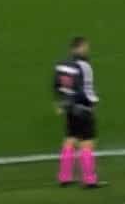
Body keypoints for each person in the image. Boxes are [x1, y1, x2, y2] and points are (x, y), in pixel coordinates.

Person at [54, 36, 101, 189]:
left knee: (70, 139)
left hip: (69, 108)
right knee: (87, 143)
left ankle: (64, 177)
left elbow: (57, 85)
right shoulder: (84, 66)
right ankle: (89, 180)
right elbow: (86, 89)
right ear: (78, 48)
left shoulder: (62, 65)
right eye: (85, 47)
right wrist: (93, 103)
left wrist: (62, 103)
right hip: (82, 108)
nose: (87, 50)